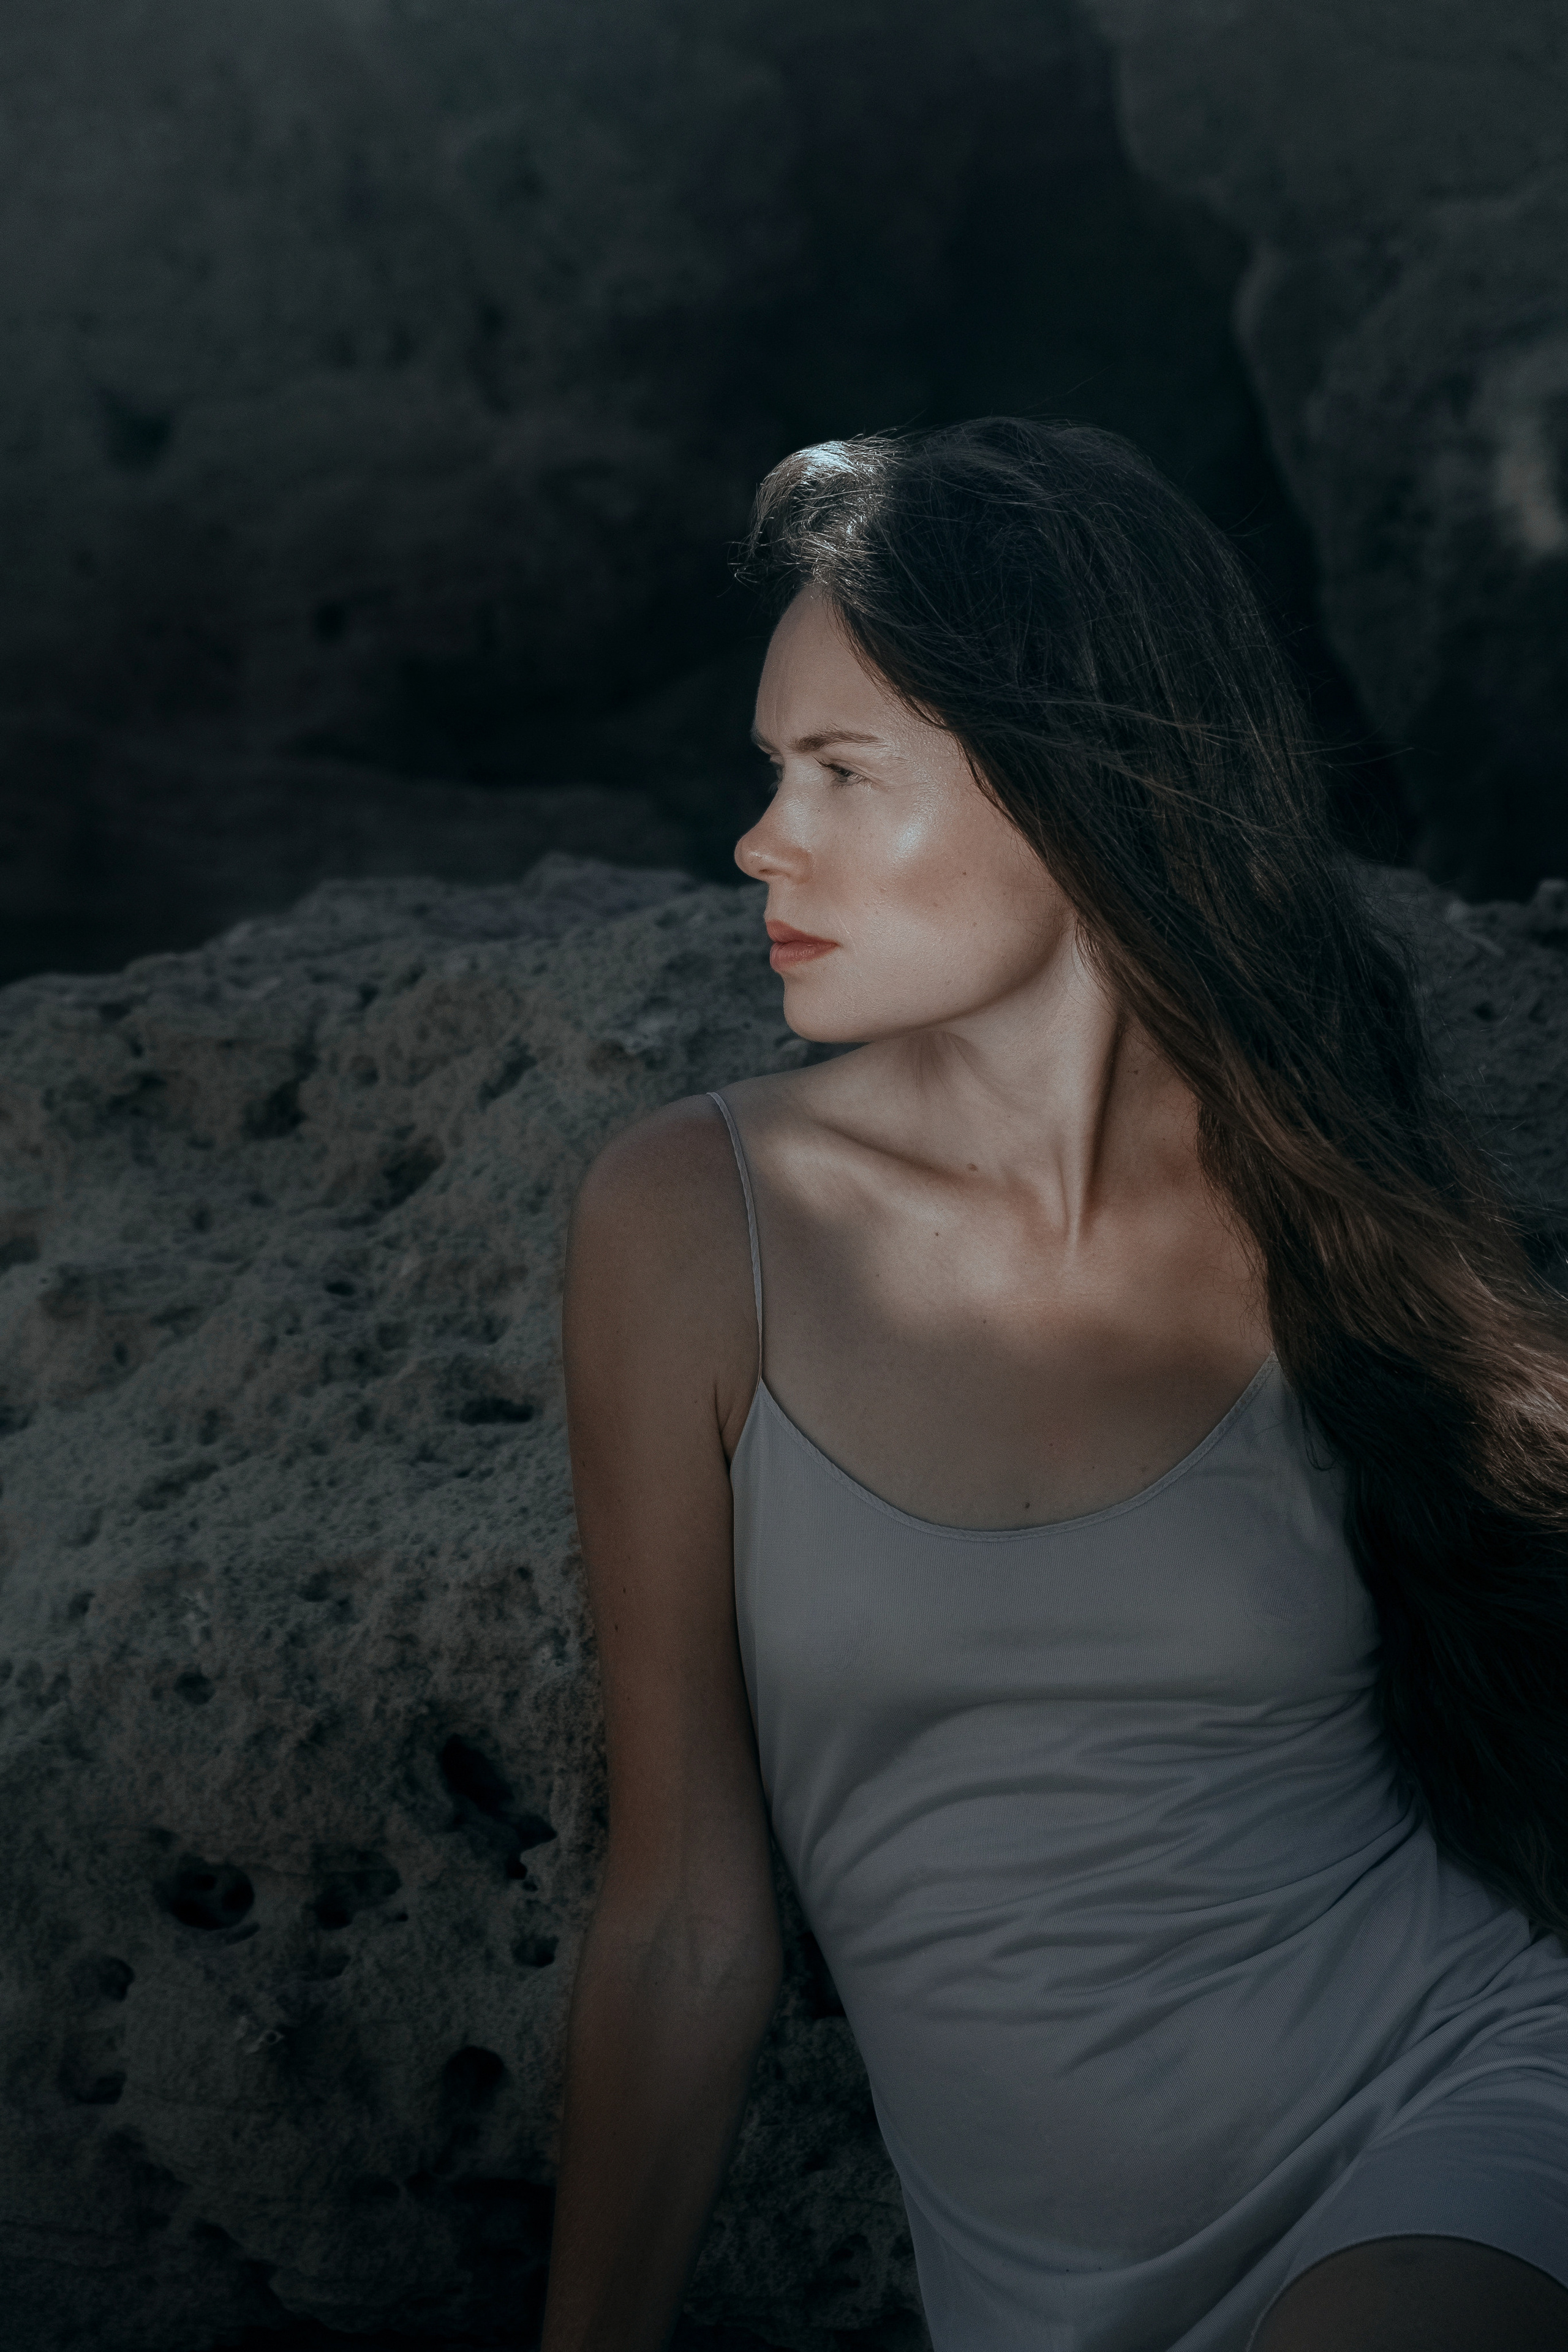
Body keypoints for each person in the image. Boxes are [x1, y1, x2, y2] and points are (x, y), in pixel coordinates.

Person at [545, 420, 1568, 2351]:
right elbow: (684, 1917)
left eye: (841, 771)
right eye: (773, 772)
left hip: (1453, 2124)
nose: (765, 839)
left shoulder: (1328, 1198)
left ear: (1064, 783)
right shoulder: (693, 1226)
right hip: (1037, 2296)